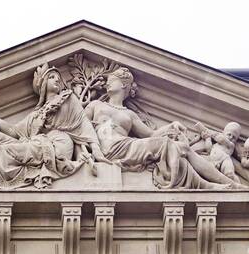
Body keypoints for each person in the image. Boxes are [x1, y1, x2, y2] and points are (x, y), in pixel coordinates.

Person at [84, 67, 239, 190]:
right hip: (110, 148)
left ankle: (217, 184)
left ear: (124, 85)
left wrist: (171, 125)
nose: (107, 83)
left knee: (181, 149)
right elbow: (81, 127)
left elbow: (151, 134)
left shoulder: (129, 114)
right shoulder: (96, 105)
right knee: (168, 145)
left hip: (127, 147)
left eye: (112, 80)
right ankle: (208, 184)